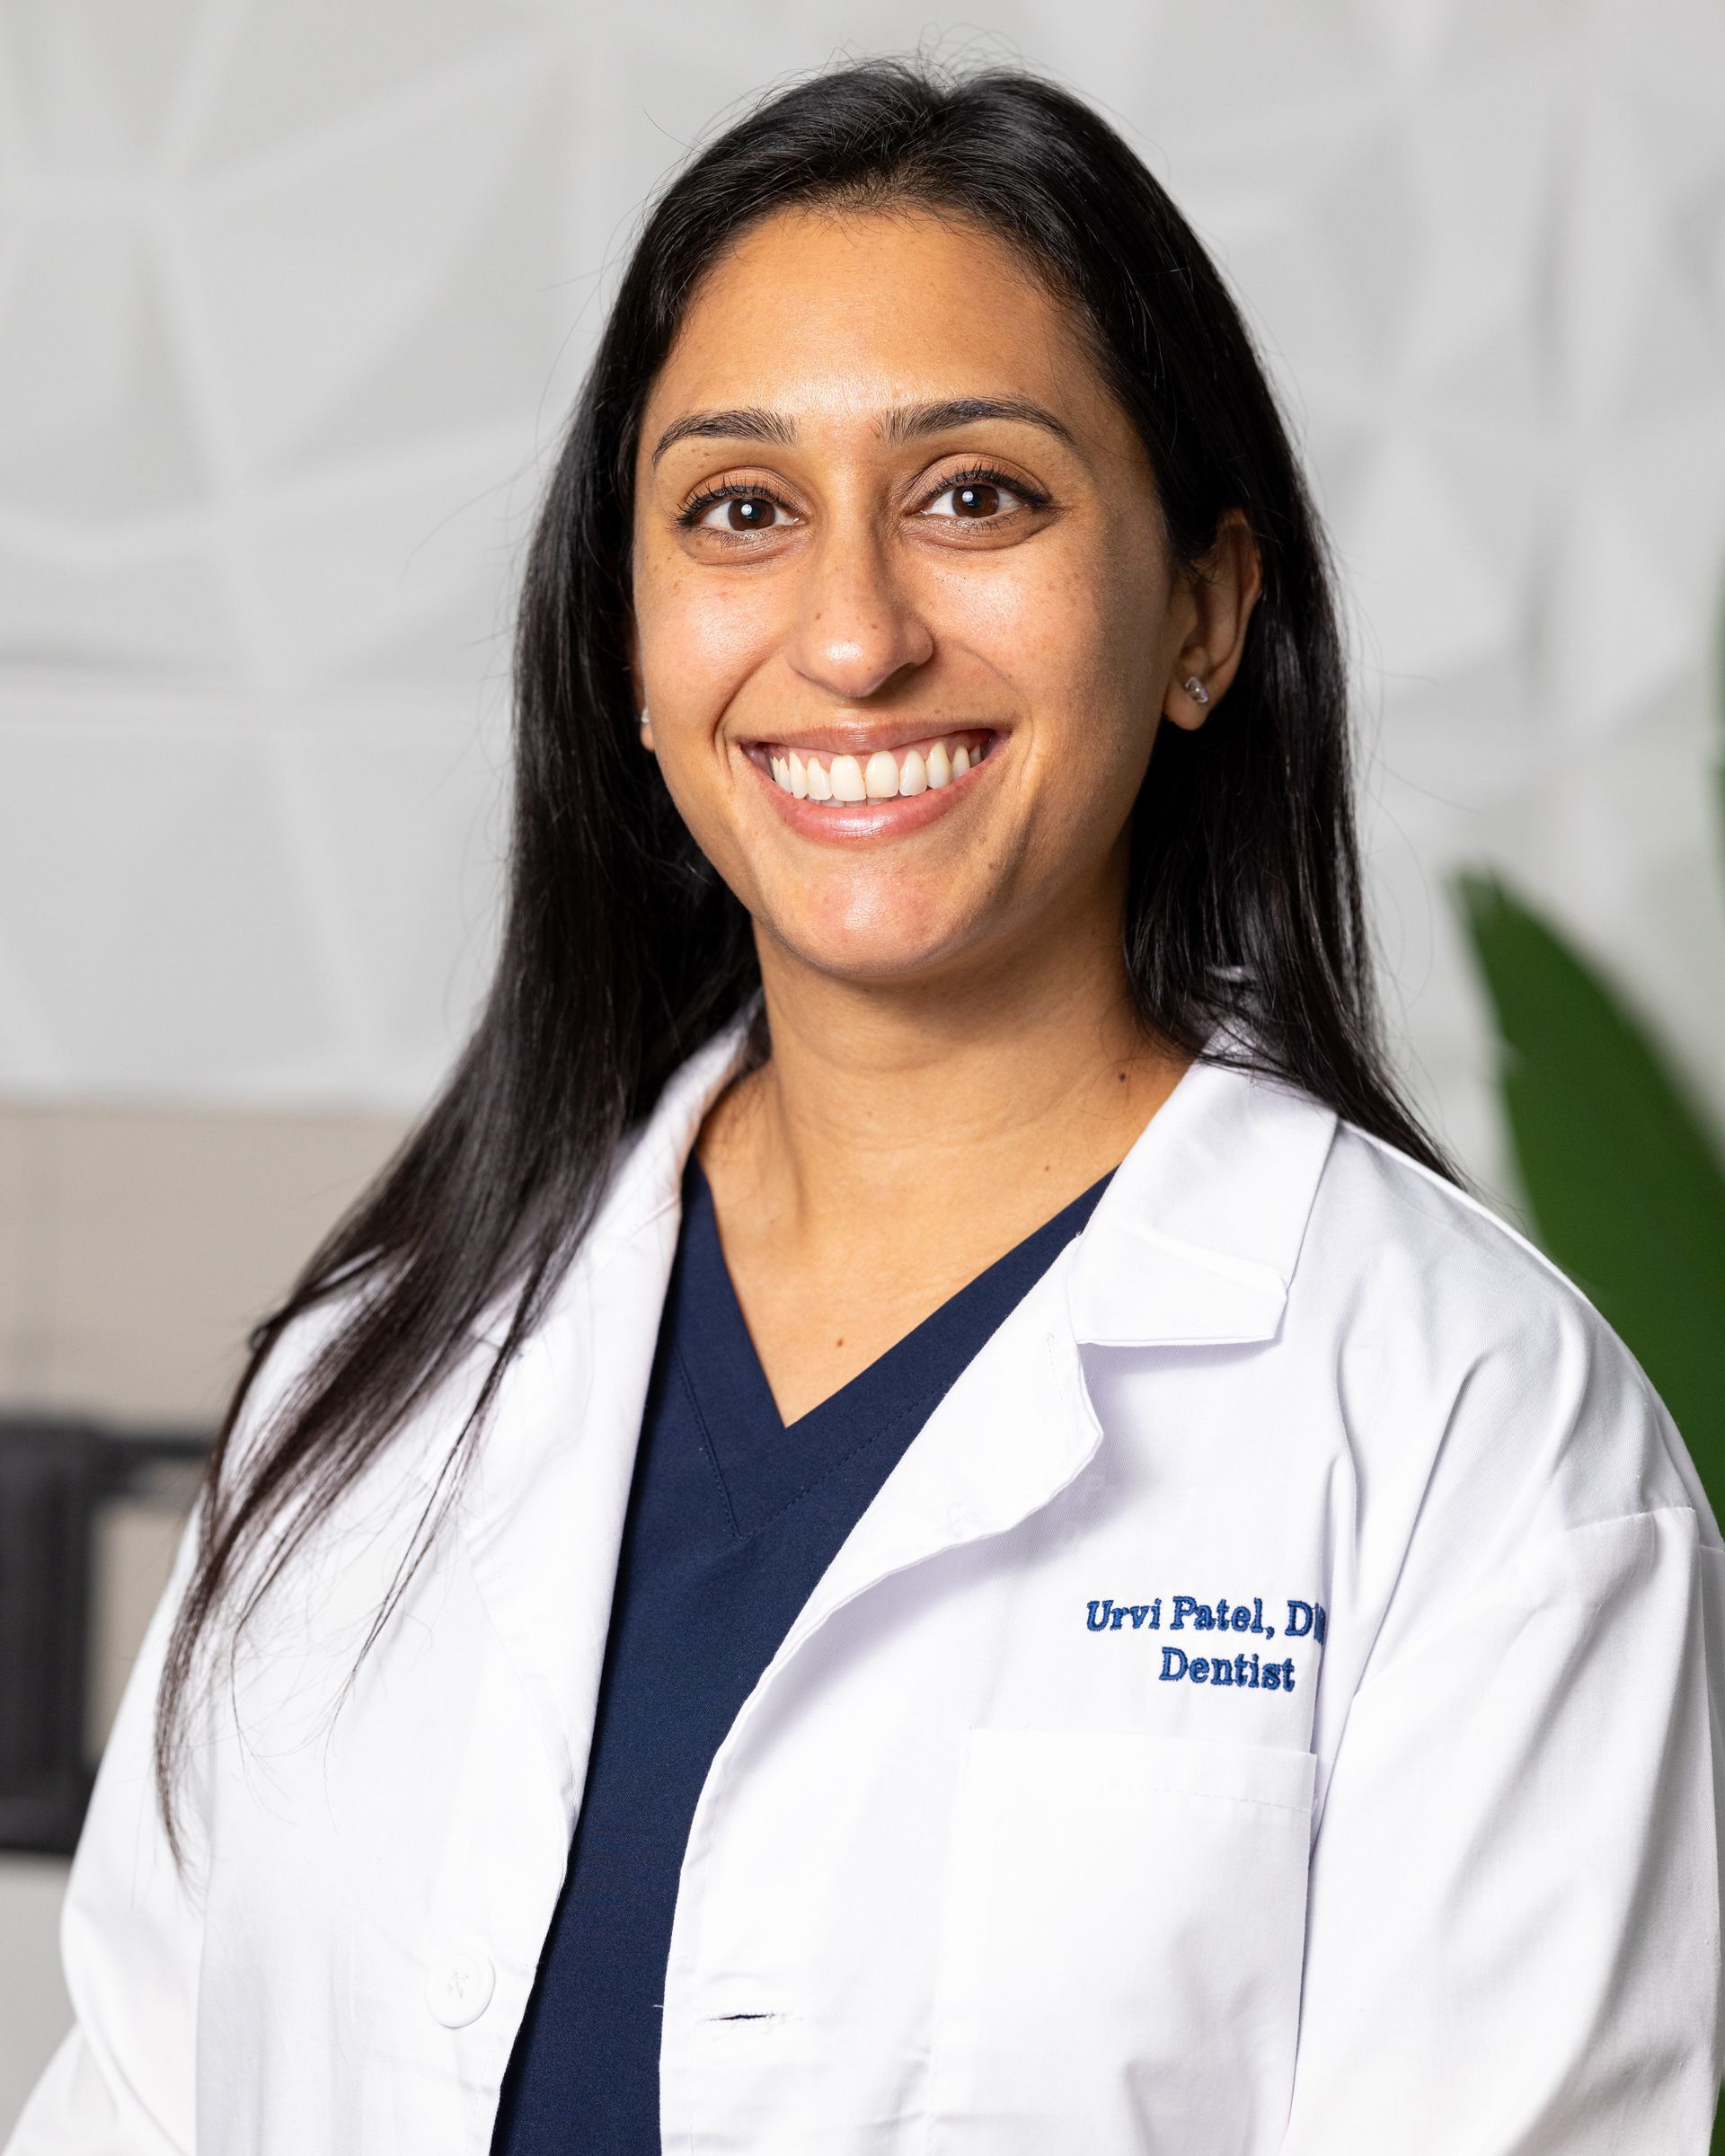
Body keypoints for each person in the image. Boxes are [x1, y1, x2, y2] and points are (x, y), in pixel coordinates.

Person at [10, 58, 1722, 2156]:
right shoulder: (372, 1382)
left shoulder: (1471, 1430)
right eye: (740, 510)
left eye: (976, 495)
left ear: (1201, 613)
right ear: (630, 654)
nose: (851, 633)